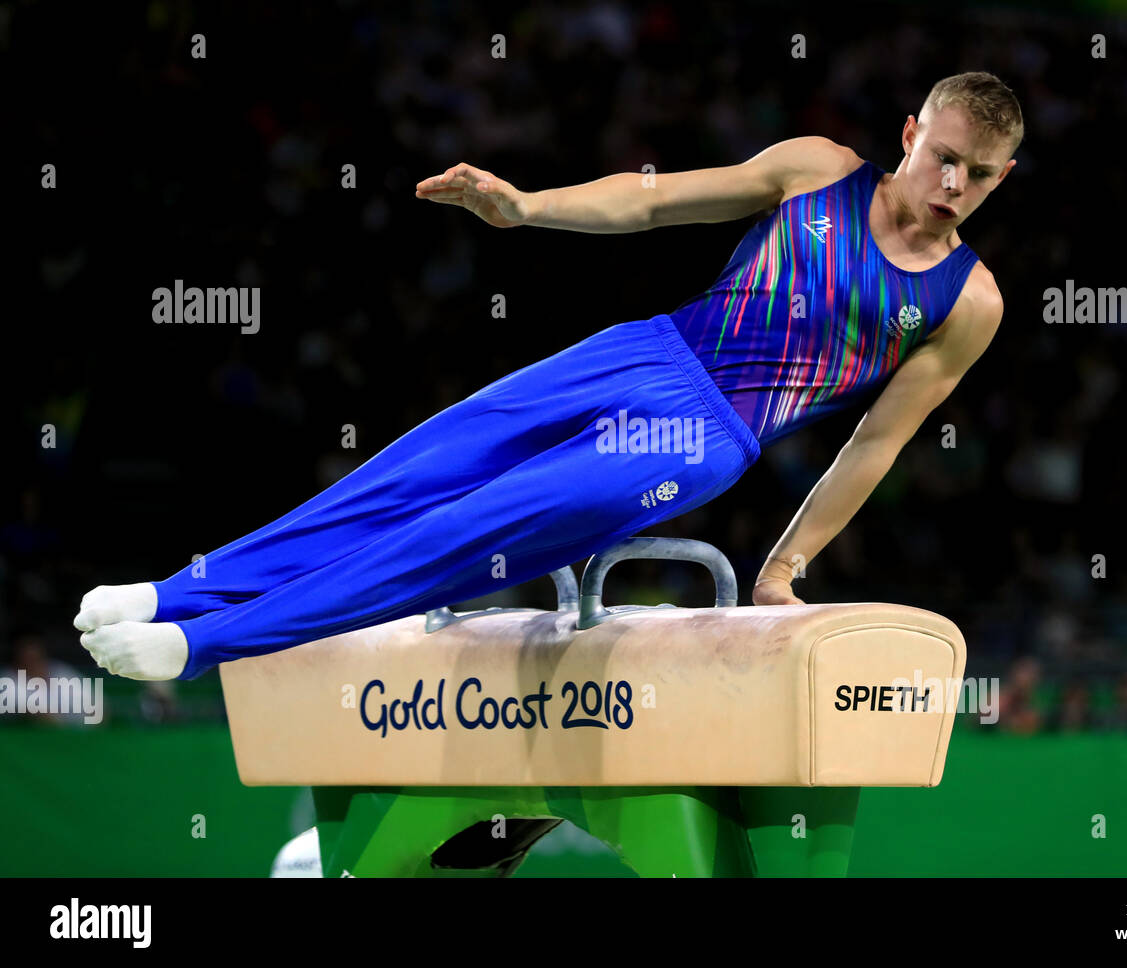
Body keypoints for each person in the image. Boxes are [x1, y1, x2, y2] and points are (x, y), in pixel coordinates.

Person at [75, 71, 1021, 681]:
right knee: (421, 467)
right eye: (943, 158)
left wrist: (783, 569)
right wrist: (528, 208)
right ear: (910, 133)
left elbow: (877, 444)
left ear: (1000, 177)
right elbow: (651, 201)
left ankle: (202, 647)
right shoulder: (818, 170)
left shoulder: (966, 302)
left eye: (976, 175)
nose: (950, 186)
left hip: (706, 433)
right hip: (646, 348)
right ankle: (181, 593)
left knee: (467, 529)